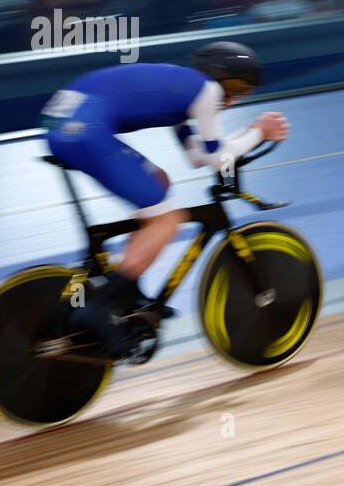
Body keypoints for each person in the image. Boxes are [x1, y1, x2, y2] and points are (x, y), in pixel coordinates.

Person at [40, 41, 288, 355]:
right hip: (85, 129)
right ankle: (98, 308)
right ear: (219, 76)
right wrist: (260, 133)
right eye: (237, 87)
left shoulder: (184, 91)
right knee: (169, 221)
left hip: (64, 124)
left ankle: (128, 292)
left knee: (159, 182)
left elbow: (199, 156)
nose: (235, 98)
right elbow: (216, 160)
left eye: (245, 92)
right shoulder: (206, 91)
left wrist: (249, 131)